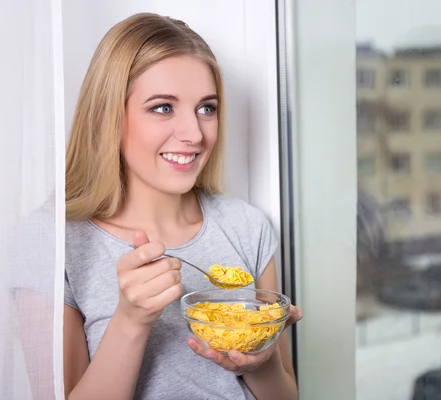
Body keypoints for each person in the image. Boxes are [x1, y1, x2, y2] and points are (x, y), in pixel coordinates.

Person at [63, 12, 302, 400]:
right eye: (163, 107)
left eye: (206, 108)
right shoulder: (58, 243)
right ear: (109, 115)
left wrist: (263, 361)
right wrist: (131, 321)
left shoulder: (246, 226)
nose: (194, 134)